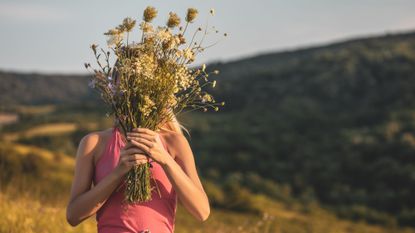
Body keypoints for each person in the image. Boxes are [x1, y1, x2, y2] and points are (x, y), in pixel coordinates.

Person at [65, 112, 210, 232]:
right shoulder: (94, 142)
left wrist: (165, 159)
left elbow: (202, 211)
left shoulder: (174, 142)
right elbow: (73, 216)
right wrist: (118, 172)